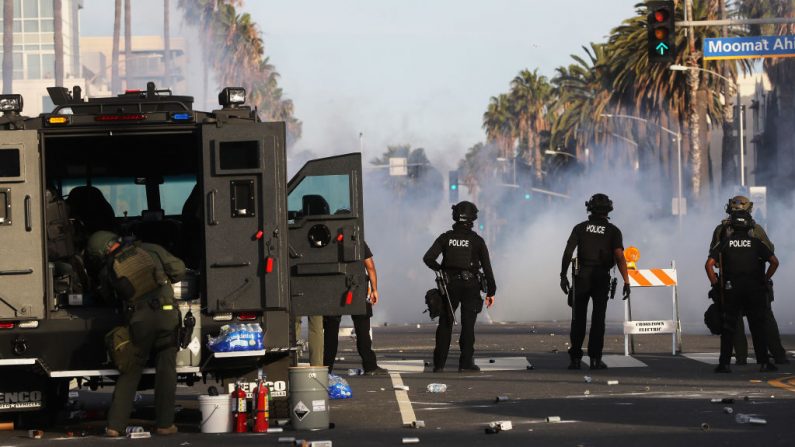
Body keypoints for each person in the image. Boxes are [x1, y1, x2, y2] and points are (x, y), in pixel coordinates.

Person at [87, 231, 186, 437]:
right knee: (166, 369)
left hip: (139, 322)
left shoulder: (107, 269)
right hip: (167, 316)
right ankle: (165, 424)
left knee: (131, 371)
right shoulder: (149, 248)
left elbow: (107, 297)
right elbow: (179, 270)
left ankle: (115, 426)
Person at [709, 195, 788, 365]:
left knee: (734, 320)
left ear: (730, 209)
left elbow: (713, 259)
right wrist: (764, 279)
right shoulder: (756, 229)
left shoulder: (720, 230)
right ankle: (779, 356)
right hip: (756, 283)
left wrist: (717, 284)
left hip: (730, 284)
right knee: (765, 317)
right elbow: (770, 251)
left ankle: (742, 358)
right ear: (749, 209)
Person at [423, 201, 496, 373]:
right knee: (468, 325)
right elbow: (487, 268)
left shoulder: (446, 237)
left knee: (445, 324)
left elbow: (428, 258)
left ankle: (439, 364)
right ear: (473, 218)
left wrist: (441, 270)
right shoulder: (477, 241)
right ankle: (465, 363)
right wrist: (491, 292)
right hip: (471, 285)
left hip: (449, 285)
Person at [560, 193, 630, 370]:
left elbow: (568, 252)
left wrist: (563, 276)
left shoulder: (580, 228)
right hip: (601, 277)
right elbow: (620, 257)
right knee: (598, 320)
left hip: (581, 276)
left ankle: (575, 359)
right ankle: (595, 359)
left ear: (589, 208)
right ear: (609, 210)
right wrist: (626, 281)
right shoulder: (613, 231)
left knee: (578, 319)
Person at [323, 241, 388, 375]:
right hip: (357, 286)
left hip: (333, 288)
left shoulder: (327, 240)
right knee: (362, 329)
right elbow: (370, 266)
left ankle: (326, 368)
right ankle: (370, 366)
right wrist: (374, 289)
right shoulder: (357, 239)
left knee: (330, 332)